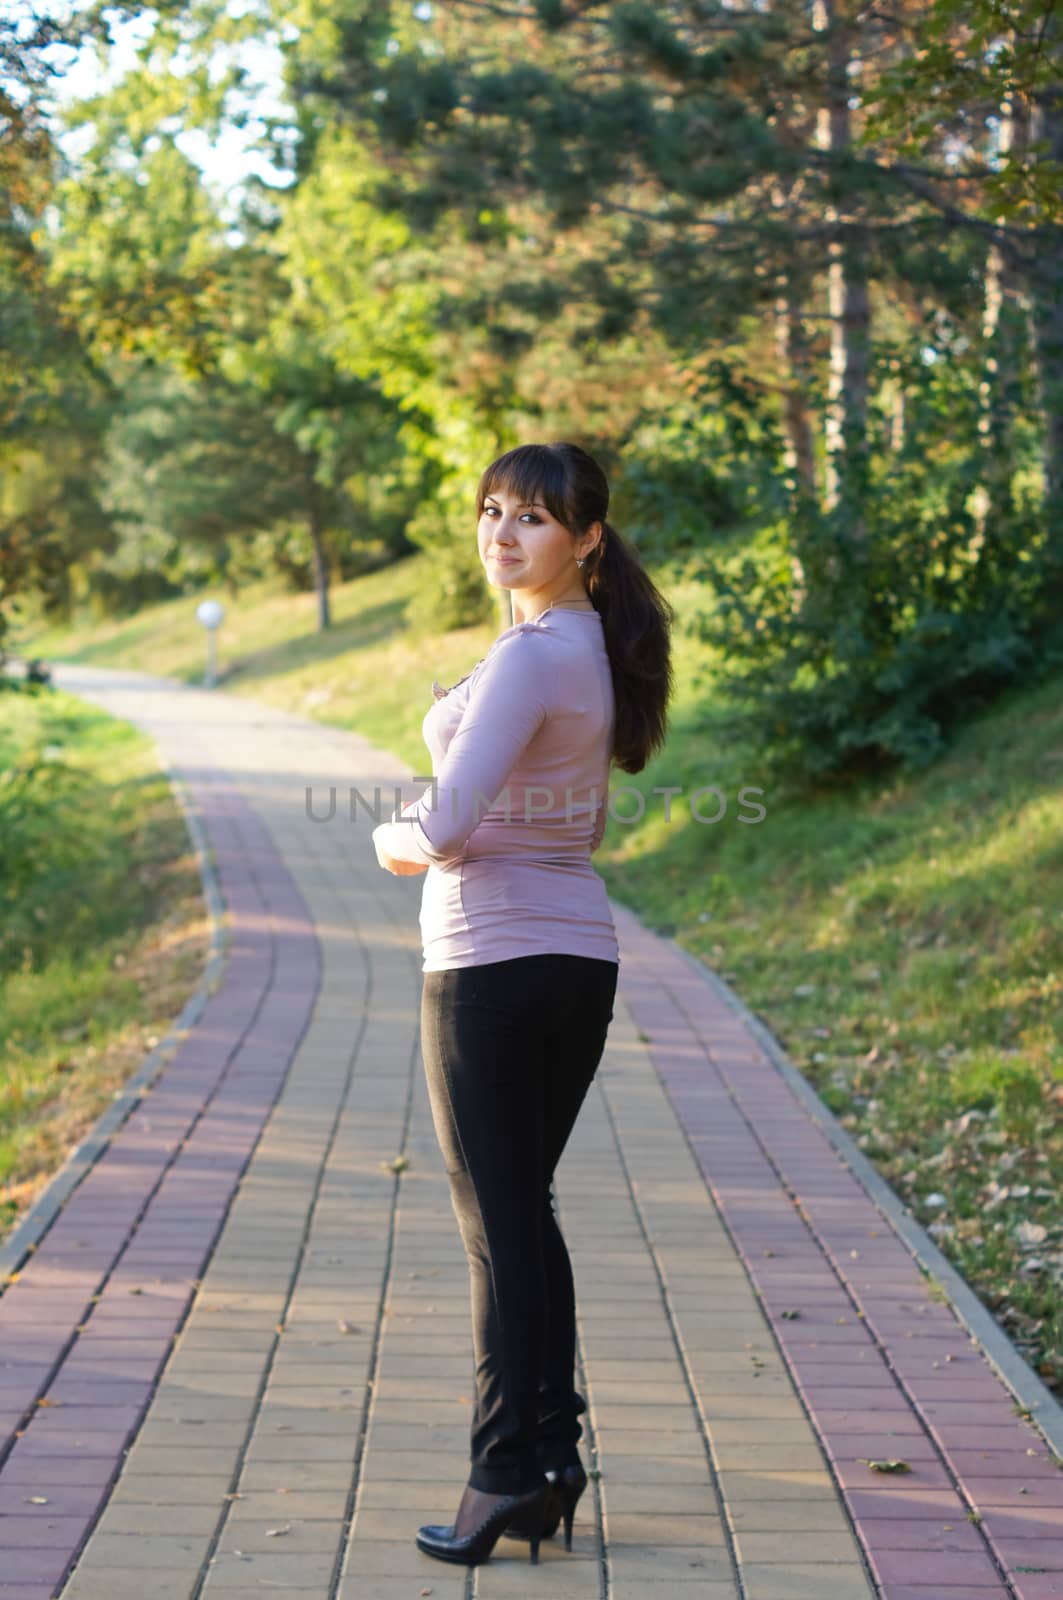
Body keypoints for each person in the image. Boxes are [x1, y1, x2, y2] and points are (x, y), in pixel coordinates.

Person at [371, 440, 674, 1567]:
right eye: (492, 510)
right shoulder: (589, 649)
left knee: (496, 1229)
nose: (503, 533)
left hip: (489, 966)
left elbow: (445, 829)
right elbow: (577, 828)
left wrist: (390, 835)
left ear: (586, 538)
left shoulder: (533, 654)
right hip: (573, 962)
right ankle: (551, 1458)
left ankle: (504, 1473)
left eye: (533, 518)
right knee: (523, 1213)